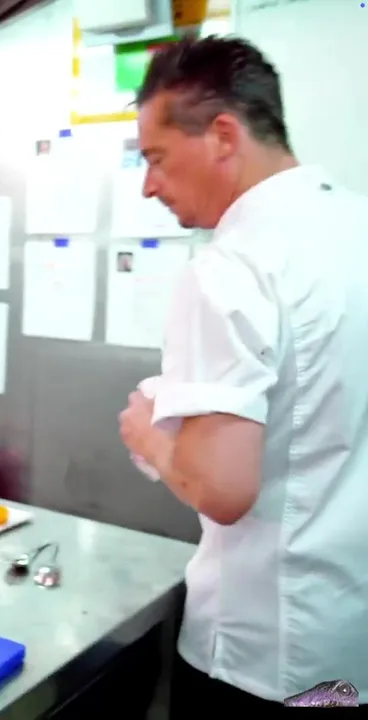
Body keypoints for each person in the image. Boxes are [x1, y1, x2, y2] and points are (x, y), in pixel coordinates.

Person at [117, 37, 368, 710]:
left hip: (260, 655)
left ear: (223, 136)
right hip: (350, 642)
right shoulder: (357, 226)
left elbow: (223, 489)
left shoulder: (232, 267)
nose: (148, 186)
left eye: (156, 158)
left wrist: (149, 435)